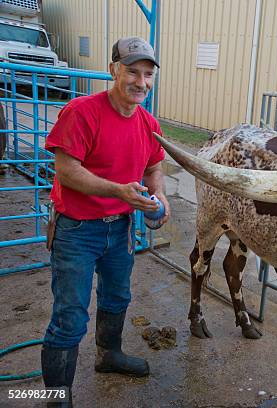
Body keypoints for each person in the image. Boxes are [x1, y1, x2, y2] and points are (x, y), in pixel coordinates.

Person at [41, 37, 170, 406]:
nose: (141, 82)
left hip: (121, 228)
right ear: (114, 69)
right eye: (132, 71)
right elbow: (66, 171)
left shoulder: (147, 122)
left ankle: (107, 354)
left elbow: (154, 164)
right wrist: (119, 192)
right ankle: (57, 396)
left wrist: (158, 195)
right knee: (70, 315)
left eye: (148, 75)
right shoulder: (82, 111)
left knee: (117, 296)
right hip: (77, 229)